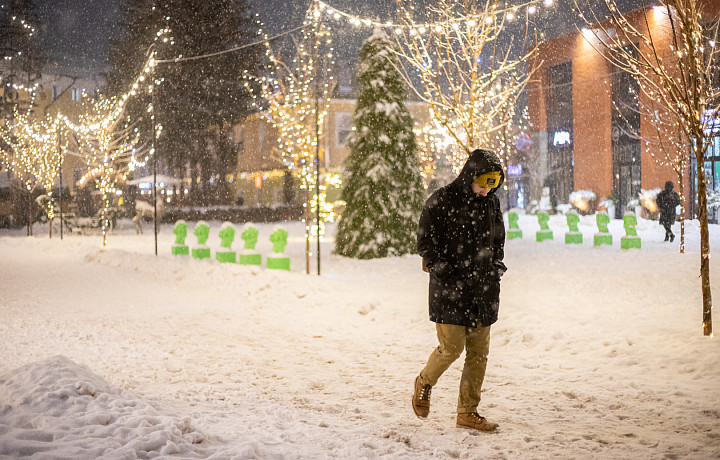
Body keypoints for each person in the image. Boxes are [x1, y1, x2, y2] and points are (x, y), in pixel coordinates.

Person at [413, 148, 506, 433]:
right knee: (451, 348)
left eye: (492, 186)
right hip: (451, 289)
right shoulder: (442, 200)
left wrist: (496, 267)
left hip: (482, 290)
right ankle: (424, 381)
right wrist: (440, 267)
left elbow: (498, 240)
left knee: (479, 353)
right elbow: (425, 241)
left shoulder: (491, 203)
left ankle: (467, 412)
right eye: (482, 185)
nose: (485, 192)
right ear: (470, 176)